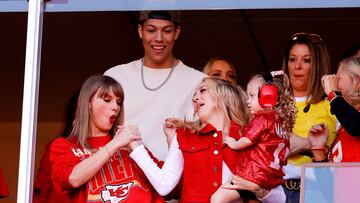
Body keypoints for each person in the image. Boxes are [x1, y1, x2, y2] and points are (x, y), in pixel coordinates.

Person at [129, 78, 286, 203]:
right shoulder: (184, 136)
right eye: (194, 95)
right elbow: (164, 185)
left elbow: (280, 198)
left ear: (222, 97)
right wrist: (135, 146)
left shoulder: (247, 136)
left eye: (203, 90)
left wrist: (259, 191)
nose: (195, 98)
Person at [104, 10, 206, 160]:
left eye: (167, 31)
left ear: (177, 33)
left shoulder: (200, 82)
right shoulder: (115, 76)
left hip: (176, 177)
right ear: (140, 31)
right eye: (151, 30)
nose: (158, 38)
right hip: (124, 177)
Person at [48, 75, 165, 203]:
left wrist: (175, 140)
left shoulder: (129, 144)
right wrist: (115, 144)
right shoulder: (63, 145)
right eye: (107, 99)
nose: (115, 107)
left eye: (119, 102)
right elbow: (73, 179)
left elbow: (167, 183)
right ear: (88, 104)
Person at [211, 74, 297, 203]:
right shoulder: (280, 122)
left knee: (216, 199)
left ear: (267, 96)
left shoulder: (263, 117)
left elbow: (248, 140)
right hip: (270, 179)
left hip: (252, 176)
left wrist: (234, 143)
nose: (247, 101)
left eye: (252, 96)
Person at [281, 32, 337, 202]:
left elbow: (343, 158)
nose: (297, 66)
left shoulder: (332, 104)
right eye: (292, 59)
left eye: (306, 60)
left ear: (317, 65)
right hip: (274, 192)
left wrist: (306, 145)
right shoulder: (273, 102)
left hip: (317, 191)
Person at [309, 56, 360, 162]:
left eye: (338, 79)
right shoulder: (344, 127)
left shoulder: (353, 122)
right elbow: (325, 178)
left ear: (358, 82)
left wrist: (333, 95)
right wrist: (318, 150)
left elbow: (356, 125)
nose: (334, 84)